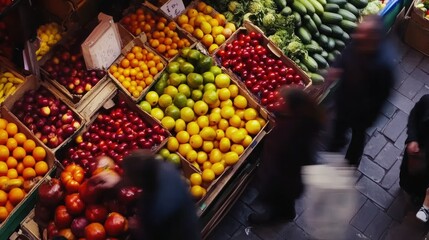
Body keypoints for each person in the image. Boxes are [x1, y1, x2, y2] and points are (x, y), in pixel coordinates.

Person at [248, 87, 325, 225]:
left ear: (292, 107)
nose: (280, 103)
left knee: (278, 200)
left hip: (283, 180)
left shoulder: (296, 133)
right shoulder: (300, 121)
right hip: (287, 179)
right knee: (286, 201)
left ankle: (273, 216)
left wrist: (270, 173)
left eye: (284, 102)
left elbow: (289, 157)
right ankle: (288, 213)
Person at [326, 14, 396, 166]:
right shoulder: (358, 42)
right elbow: (345, 56)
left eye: (363, 33)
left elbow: (381, 97)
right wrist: (336, 68)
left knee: (358, 136)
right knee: (338, 128)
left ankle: (351, 161)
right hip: (345, 100)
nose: (357, 35)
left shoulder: (383, 66)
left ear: (374, 38)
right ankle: (334, 150)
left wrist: (367, 116)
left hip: (363, 113)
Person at [92, 150, 201, 240]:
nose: (125, 177)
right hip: (188, 221)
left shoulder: (157, 208)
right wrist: (119, 182)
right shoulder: (165, 168)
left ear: (140, 180)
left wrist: (137, 228)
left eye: (127, 175)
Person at [398, 95, 429, 221]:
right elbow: (413, 117)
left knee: (422, 188)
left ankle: (419, 197)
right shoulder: (426, 102)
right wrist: (412, 138)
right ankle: (407, 188)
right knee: (406, 179)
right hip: (414, 157)